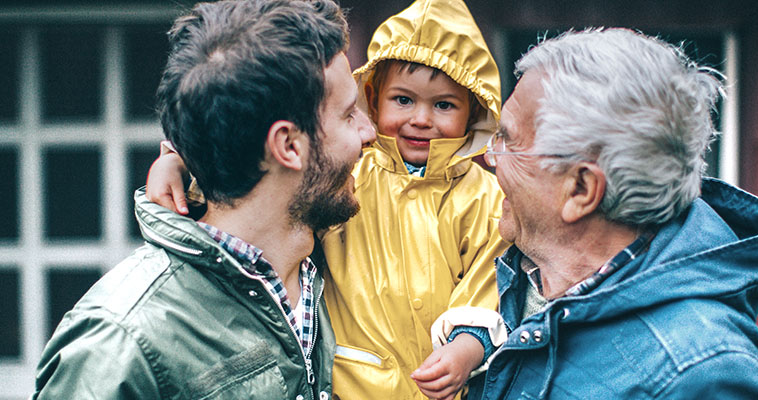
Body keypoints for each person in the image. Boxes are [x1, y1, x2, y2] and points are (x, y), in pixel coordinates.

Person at [146, 0, 508, 398]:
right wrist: (181, 162)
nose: (421, 119)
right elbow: (255, 183)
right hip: (350, 381)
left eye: (443, 105)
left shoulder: (482, 195)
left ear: (473, 111)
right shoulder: (350, 172)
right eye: (403, 100)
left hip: (445, 382)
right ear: (375, 95)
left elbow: (487, 281)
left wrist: (467, 347)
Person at [31, 0, 374, 398]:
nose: (370, 131)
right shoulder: (121, 343)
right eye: (349, 115)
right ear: (288, 146)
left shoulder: (333, 262)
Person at [469, 28, 758, 399]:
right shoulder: (499, 275)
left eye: (508, 141)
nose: (490, 158)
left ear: (581, 189)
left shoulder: (702, 375)